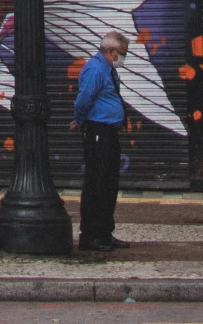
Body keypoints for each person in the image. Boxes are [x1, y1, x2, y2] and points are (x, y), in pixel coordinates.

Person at [73, 28, 129, 254]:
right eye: (122, 53)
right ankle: (91, 236)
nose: (123, 57)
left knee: (108, 184)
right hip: (99, 132)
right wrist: (80, 120)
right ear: (111, 50)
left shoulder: (107, 69)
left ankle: (105, 232)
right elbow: (83, 99)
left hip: (108, 132)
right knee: (97, 184)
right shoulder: (96, 69)